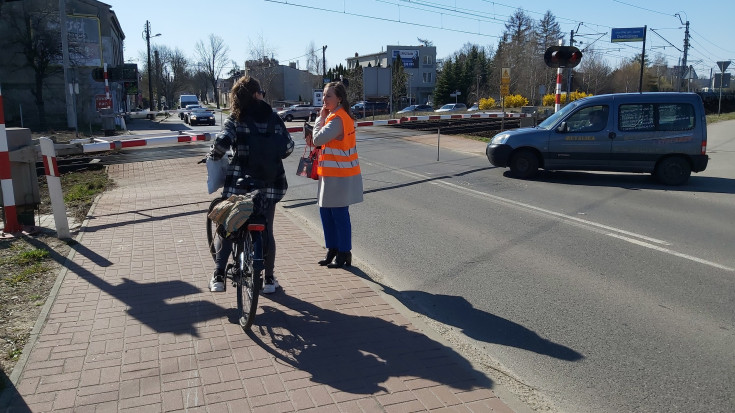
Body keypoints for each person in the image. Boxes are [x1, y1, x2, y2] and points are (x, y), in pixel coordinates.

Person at [208, 76, 294, 293]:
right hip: (269, 184)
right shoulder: (273, 118)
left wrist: (214, 155)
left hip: (240, 185)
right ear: (257, 94)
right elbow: (288, 148)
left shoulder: (236, 118)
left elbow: (221, 144)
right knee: (267, 229)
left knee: (228, 226)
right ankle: (269, 279)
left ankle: (219, 276)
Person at [306, 81, 363, 268]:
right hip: (330, 174)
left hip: (340, 175)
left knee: (338, 214)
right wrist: (323, 119)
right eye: (323, 95)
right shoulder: (333, 116)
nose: (324, 99)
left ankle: (344, 252)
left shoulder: (338, 118)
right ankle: (333, 249)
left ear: (339, 98)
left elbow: (317, 139)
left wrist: (318, 120)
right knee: (326, 213)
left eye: (328, 96)